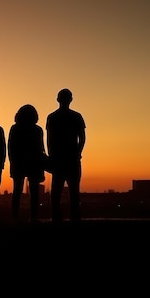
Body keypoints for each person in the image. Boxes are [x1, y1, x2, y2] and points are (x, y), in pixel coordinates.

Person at [46, 88, 86, 223]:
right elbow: (82, 137)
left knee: (56, 191)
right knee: (74, 190)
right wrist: (79, 152)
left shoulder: (52, 117)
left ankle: (56, 217)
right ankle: (75, 217)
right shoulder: (76, 116)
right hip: (72, 158)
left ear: (58, 100)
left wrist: (51, 156)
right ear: (71, 100)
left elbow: (49, 140)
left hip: (59, 158)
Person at [8, 104, 46, 223]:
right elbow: (40, 149)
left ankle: (14, 217)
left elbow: (11, 147)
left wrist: (13, 162)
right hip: (34, 163)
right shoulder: (37, 130)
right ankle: (34, 217)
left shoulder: (15, 128)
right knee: (34, 192)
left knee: (17, 191)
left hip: (19, 162)